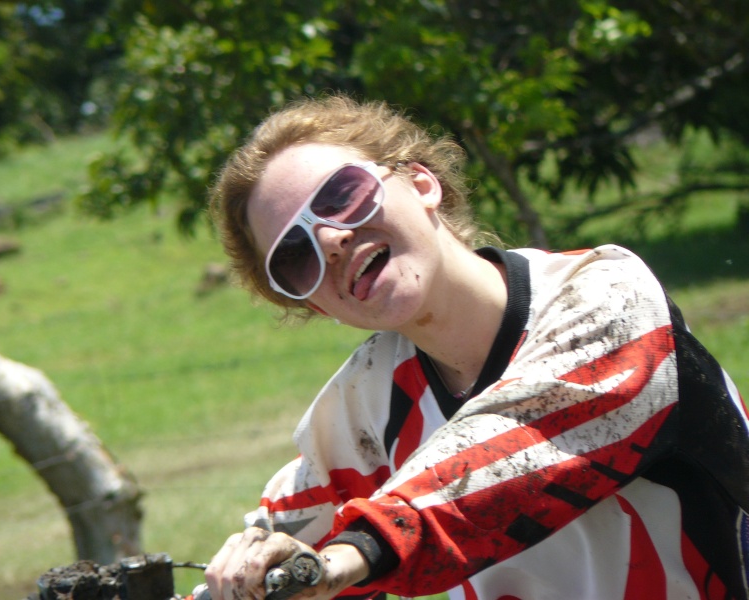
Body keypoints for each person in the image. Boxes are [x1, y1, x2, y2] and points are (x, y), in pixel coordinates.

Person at [203, 94, 749, 600]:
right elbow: (288, 538)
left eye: (342, 195)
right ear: (313, 303)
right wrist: (246, 574)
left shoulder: (607, 296)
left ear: (422, 184)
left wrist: (355, 553)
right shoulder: (364, 402)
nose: (330, 239)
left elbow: (504, 459)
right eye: (295, 255)